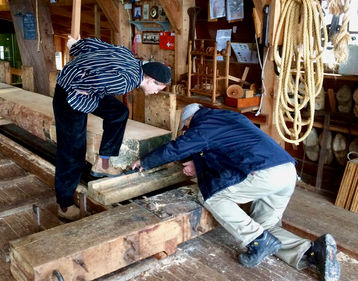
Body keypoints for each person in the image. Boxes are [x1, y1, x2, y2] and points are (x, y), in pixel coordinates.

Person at [131, 103, 340, 281]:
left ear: (188, 121)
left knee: (211, 196)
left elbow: (177, 148)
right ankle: (312, 251)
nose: (187, 131)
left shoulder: (202, 125)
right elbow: (225, 151)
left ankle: (259, 241)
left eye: (185, 128)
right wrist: (199, 163)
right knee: (263, 226)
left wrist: (145, 161)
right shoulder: (229, 118)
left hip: (264, 174)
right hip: (286, 172)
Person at [53, 36, 172, 221]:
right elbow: (93, 80)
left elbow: (93, 44)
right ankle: (64, 205)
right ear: (150, 81)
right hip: (70, 96)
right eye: (158, 89)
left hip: (86, 89)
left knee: (119, 111)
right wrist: (82, 87)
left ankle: (103, 162)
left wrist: (75, 46)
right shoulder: (126, 82)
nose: (156, 93)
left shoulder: (130, 57)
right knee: (73, 149)